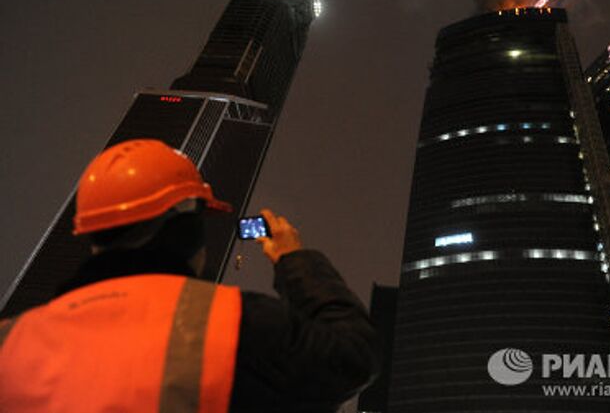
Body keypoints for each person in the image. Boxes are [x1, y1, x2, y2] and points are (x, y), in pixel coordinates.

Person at [0, 139, 380, 413]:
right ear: (186, 231)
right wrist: (293, 258)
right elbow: (353, 355)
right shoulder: (232, 324)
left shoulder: (11, 339)